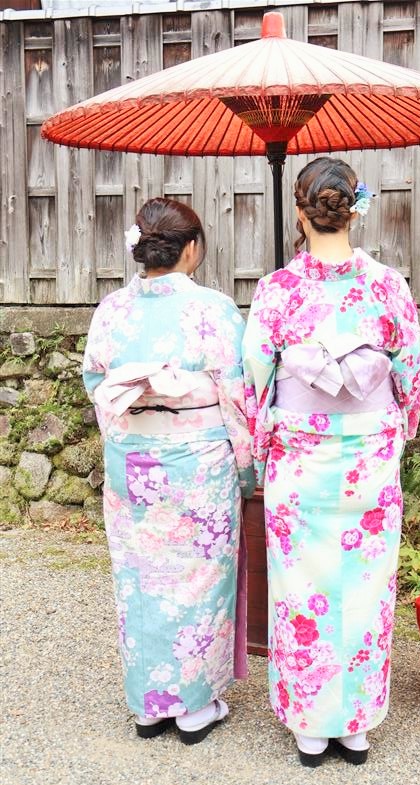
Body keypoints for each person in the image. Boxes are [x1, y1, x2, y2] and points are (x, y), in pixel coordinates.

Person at [242, 157, 420, 767]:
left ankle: (311, 726)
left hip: (300, 456)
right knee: (366, 586)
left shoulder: (277, 289)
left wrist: (262, 441)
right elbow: (409, 372)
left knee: (301, 585)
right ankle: (356, 724)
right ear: (354, 210)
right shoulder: (388, 285)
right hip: (369, 455)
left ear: (301, 212)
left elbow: (255, 375)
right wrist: (398, 429)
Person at [83, 197, 255, 742]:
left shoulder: (112, 310)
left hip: (132, 458)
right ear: (192, 248)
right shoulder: (214, 309)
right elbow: (238, 397)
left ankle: (149, 704)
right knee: (198, 579)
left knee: (140, 579)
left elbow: (97, 384)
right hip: (198, 464)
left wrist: (127, 435)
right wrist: (247, 469)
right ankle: (193, 707)